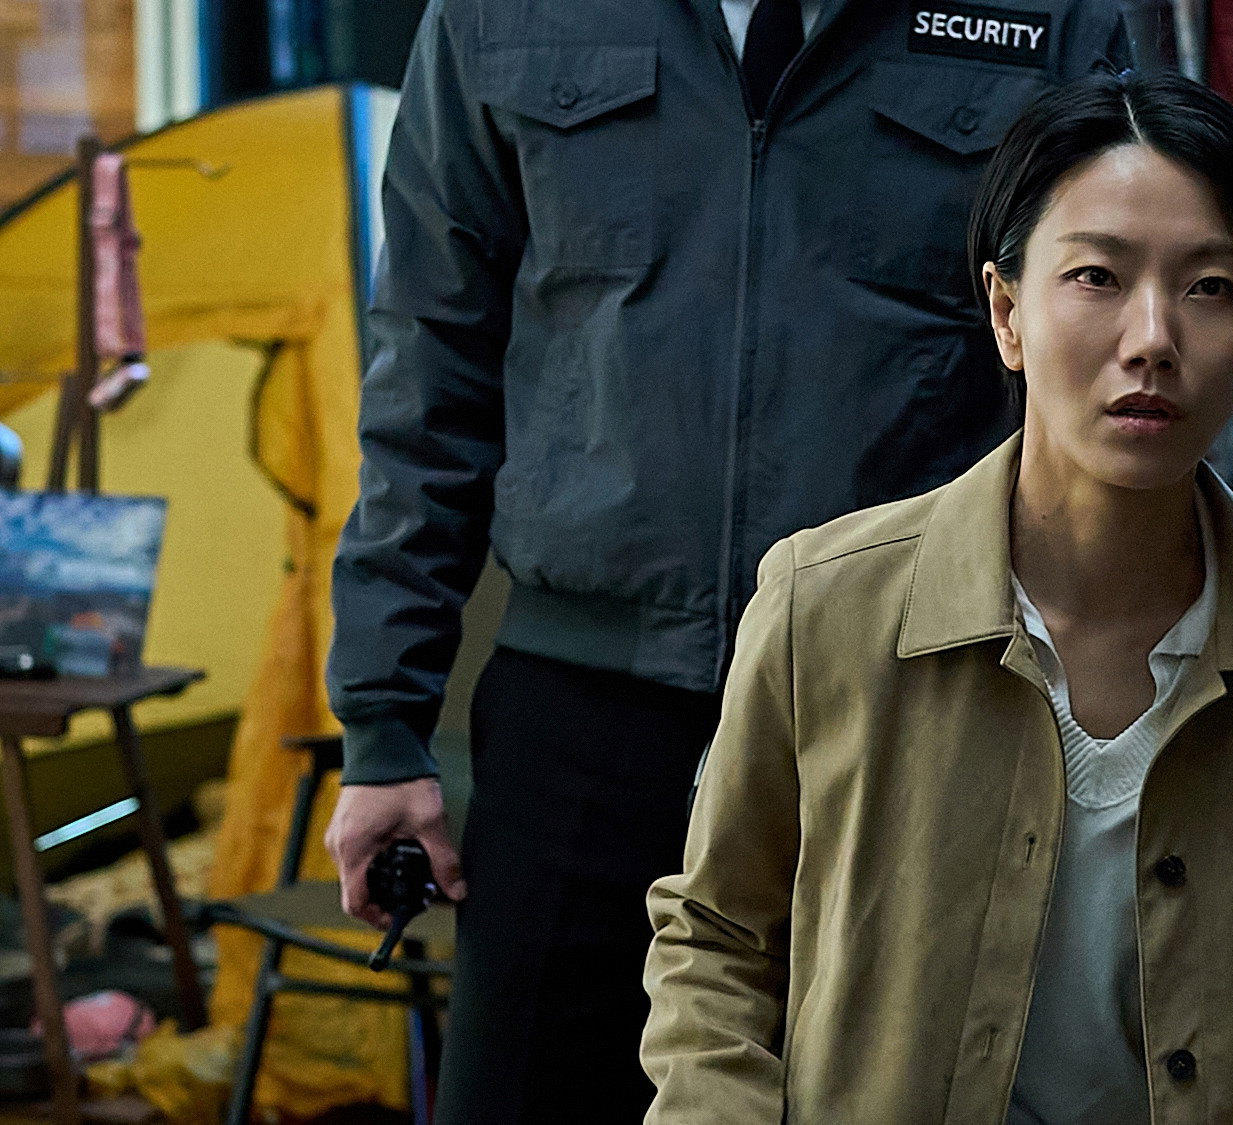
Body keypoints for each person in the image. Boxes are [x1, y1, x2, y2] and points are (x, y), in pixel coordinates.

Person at [319, 2, 1130, 1121]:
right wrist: (381, 724)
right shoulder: (500, 16)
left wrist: (1109, 716)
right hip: (582, 717)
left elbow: (1110, 369)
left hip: (906, 710)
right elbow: (427, 366)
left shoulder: (1046, 16)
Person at [641, 71, 1233, 1124]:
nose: (1151, 337)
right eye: (1096, 277)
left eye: (1208, 287)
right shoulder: (822, 607)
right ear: (1006, 312)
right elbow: (717, 941)